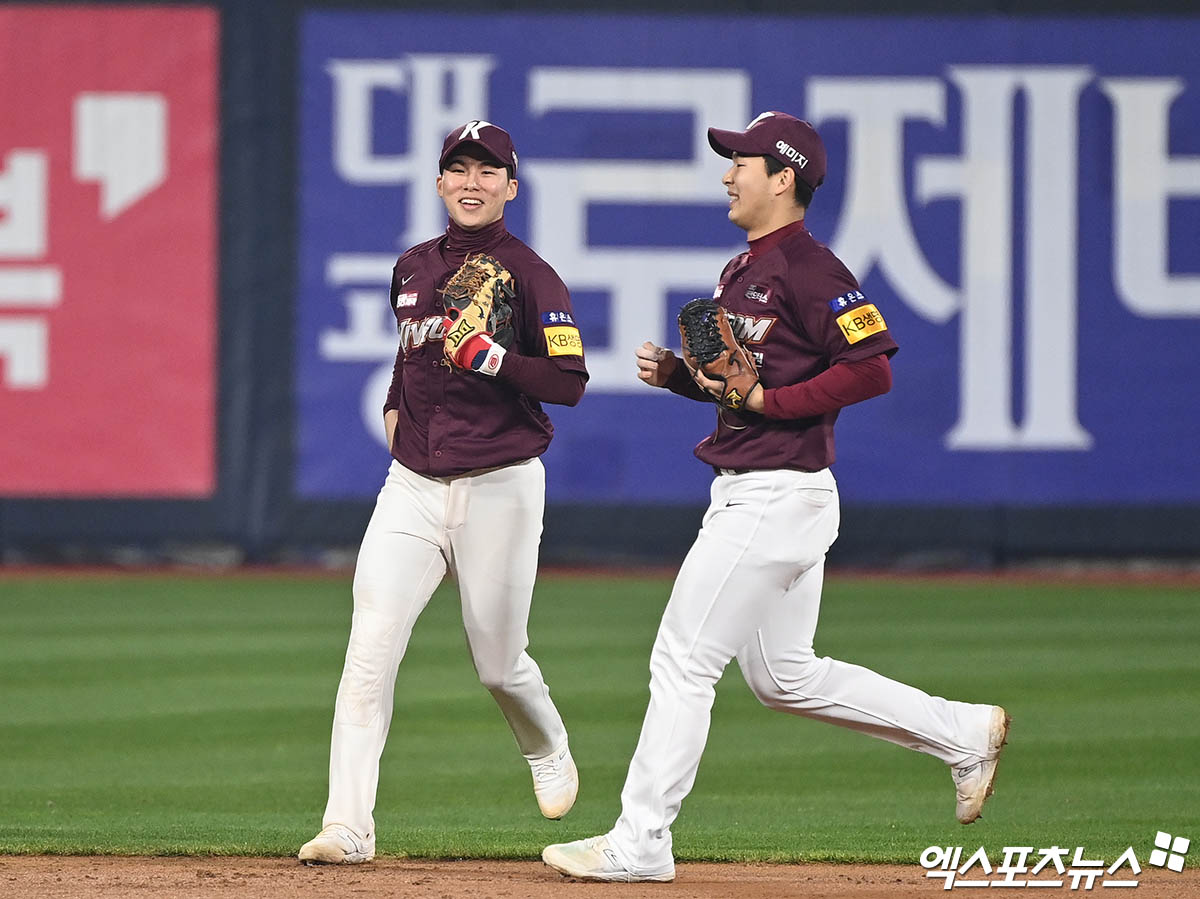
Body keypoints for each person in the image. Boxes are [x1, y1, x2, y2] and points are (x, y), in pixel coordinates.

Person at [542, 111, 1009, 883]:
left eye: (742, 161)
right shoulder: (742, 270)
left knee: (683, 660)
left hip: (775, 493)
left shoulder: (810, 267)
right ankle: (961, 733)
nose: (728, 173)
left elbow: (871, 368)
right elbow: (748, 384)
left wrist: (767, 403)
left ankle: (641, 841)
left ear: (784, 176)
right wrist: (688, 380)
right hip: (764, 491)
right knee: (784, 676)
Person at [299, 120, 587, 865]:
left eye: (487, 171)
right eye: (458, 168)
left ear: (510, 187)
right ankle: (348, 826)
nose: (471, 181)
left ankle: (547, 742)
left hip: (501, 483)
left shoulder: (532, 275)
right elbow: (408, 360)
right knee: (369, 651)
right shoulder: (412, 267)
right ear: (438, 183)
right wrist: (398, 420)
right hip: (414, 484)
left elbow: (569, 382)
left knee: (498, 662)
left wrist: (492, 356)